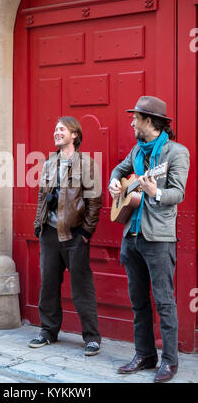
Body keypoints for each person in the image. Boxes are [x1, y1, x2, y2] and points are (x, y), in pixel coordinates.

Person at [108, 96, 190, 383]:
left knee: (164, 301)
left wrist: (155, 192)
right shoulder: (136, 150)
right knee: (138, 301)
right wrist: (114, 183)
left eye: (136, 118)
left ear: (150, 122)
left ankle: (169, 361)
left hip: (159, 238)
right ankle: (144, 354)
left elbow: (177, 193)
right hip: (132, 235)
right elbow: (119, 170)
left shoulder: (176, 153)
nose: (131, 122)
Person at [29, 116, 103, 356]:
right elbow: (42, 195)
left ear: (75, 135)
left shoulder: (88, 163)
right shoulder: (49, 163)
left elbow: (95, 201)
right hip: (49, 234)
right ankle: (47, 331)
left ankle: (91, 338)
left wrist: (86, 232)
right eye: (55, 129)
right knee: (48, 284)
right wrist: (38, 224)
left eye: (62, 129)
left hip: (74, 235)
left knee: (82, 287)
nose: (56, 132)